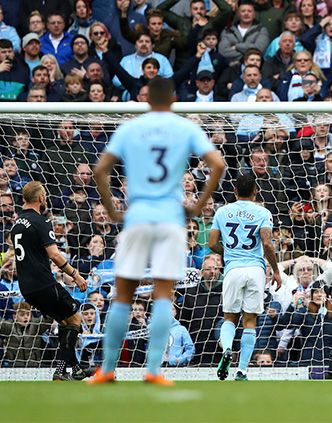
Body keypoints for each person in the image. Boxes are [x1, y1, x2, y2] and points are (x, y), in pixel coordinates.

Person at [89, 77, 226, 386]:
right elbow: (218, 163)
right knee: (164, 293)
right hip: (170, 218)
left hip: (137, 215)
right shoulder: (185, 128)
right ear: (174, 99)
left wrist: (112, 209)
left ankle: (108, 370)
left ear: (147, 98)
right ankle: (153, 371)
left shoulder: (130, 128)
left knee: (123, 295)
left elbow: (100, 169)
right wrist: (197, 204)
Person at [9, 181, 91, 380]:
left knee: (64, 321)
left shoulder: (16, 225)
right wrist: (76, 275)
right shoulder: (41, 221)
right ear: (41, 199)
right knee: (75, 318)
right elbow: (54, 254)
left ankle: (75, 369)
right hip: (44, 283)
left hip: (27, 288)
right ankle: (62, 370)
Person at [209, 173, 282, 381]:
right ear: (255, 191)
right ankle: (242, 371)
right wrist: (276, 270)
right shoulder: (263, 212)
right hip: (255, 270)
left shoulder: (222, 212)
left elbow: (212, 243)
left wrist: (230, 253)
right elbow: (267, 244)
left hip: (233, 270)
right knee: (250, 320)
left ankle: (227, 350)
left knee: (229, 317)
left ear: (234, 191)